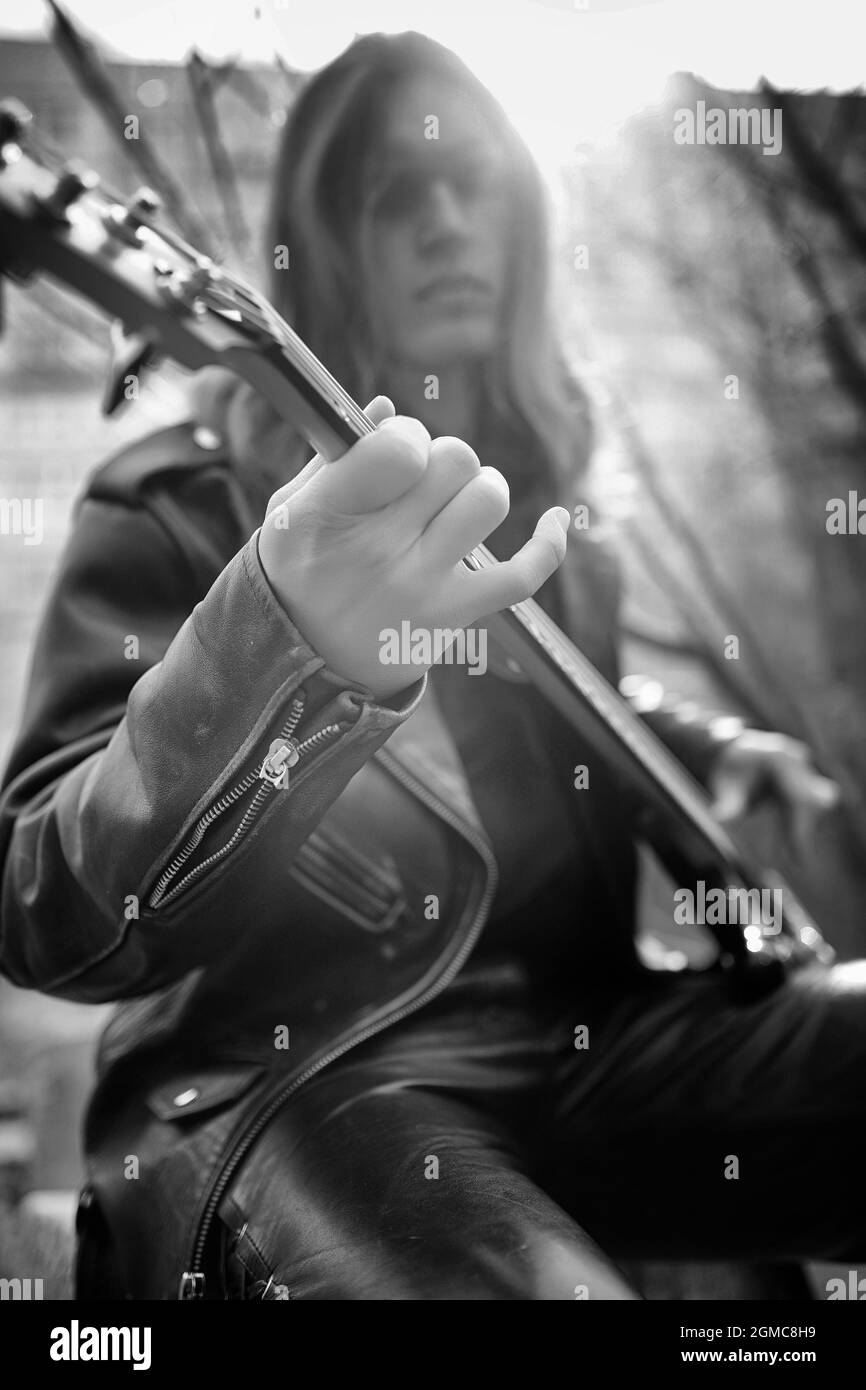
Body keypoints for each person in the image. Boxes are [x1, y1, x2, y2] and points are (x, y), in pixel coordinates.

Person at [0, 31, 859, 1302]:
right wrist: (286, 645)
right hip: (306, 1077)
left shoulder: (548, 516)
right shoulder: (177, 501)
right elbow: (43, 903)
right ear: (320, 237)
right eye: (395, 193)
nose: (449, 223)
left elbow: (570, 704)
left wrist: (714, 751)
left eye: (480, 189)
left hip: (596, 1041)